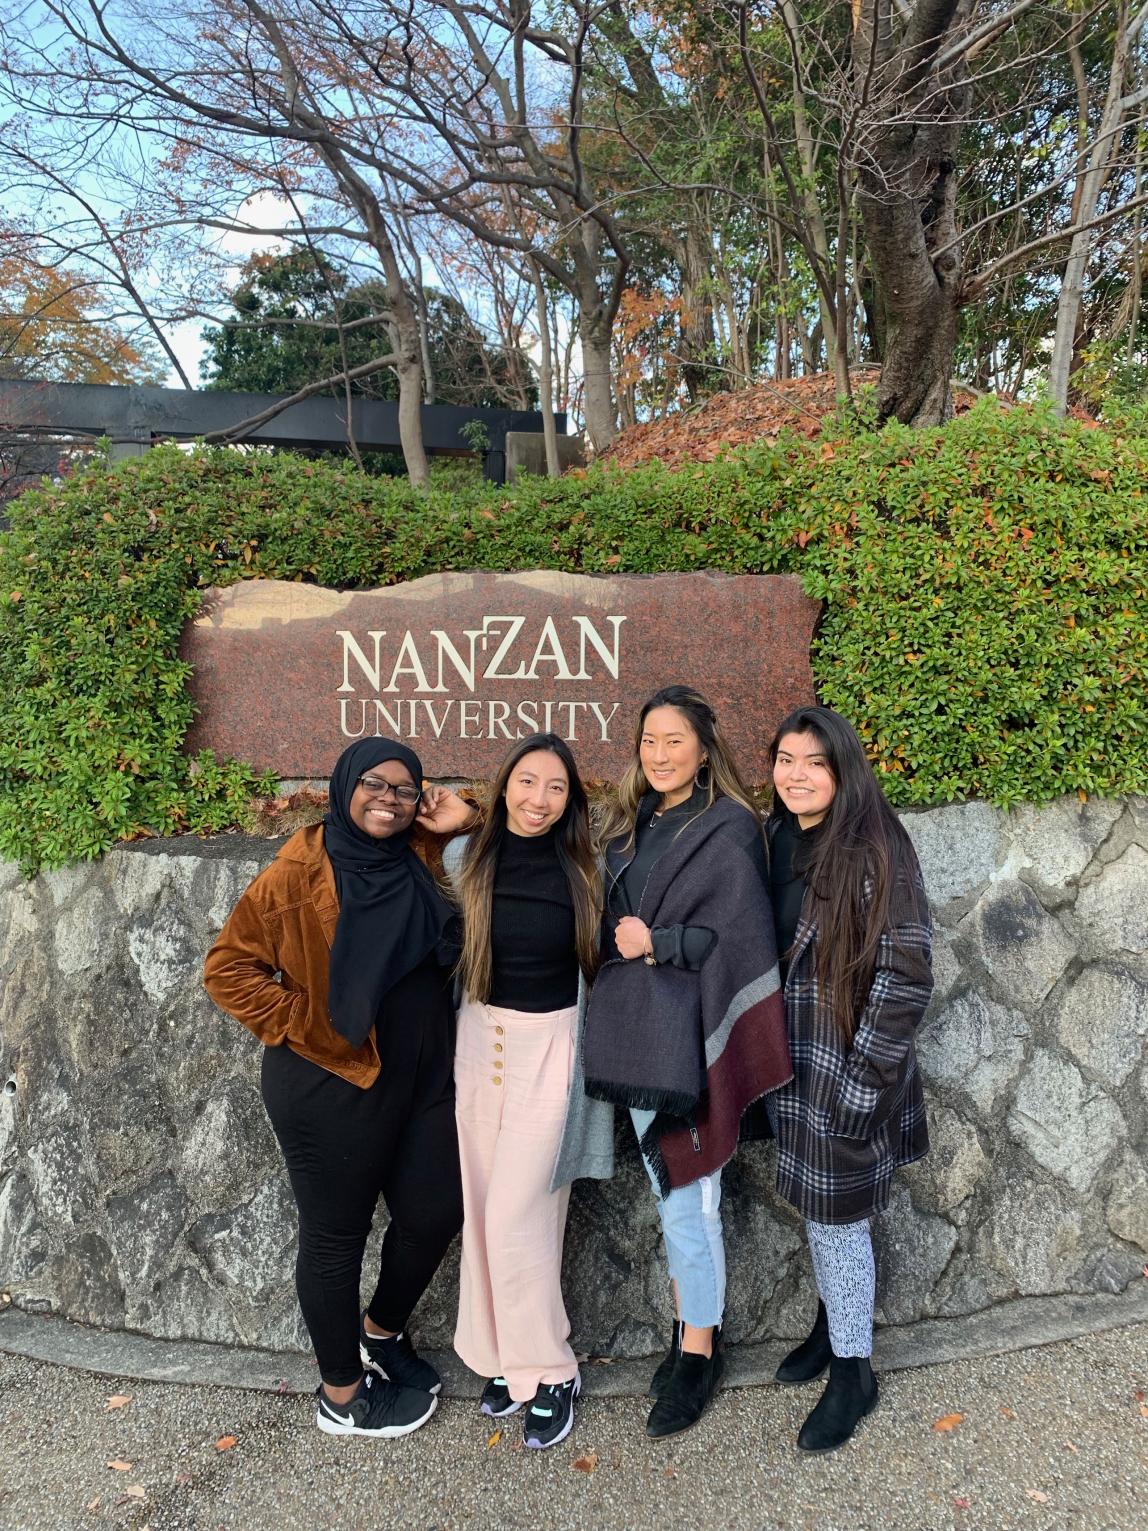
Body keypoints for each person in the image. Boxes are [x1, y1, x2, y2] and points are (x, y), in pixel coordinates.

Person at [203, 739, 477, 1440]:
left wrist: (457, 817)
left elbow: (475, 836)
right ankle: (342, 1393)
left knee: (436, 1209)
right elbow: (227, 969)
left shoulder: (414, 851)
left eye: (404, 788)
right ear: (345, 785)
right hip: (331, 1081)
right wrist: (304, 1020)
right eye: (374, 784)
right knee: (335, 1239)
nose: (388, 798)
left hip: (422, 1077)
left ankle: (380, 1331)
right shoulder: (298, 872)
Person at [564, 685, 792, 1439]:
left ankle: (700, 1349)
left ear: (703, 747)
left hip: (693, 1039)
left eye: (674, 741)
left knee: (689, 1200)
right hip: (636, 1037)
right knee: (673, 1191)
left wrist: (656, 943)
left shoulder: (730, 827)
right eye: (649, 741)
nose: (659, 754)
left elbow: (740, 942)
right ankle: (690, 1327)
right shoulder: (631, 826)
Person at [765, 705, 933, 1453]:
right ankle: (836, 1327)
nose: (796, 775)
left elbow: (905, 976)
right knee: (820, 1210)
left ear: (843, 769)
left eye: (814, 763)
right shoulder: (784, 837)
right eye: (785, 759)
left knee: (838, 1221)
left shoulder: (873, 848)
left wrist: (862, 1087)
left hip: (845, 1067)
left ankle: (854, 1370)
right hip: (796, 1064)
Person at [443, 733, 601, 1450]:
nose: (539, 799)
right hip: (479, 1042)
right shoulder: (465, 859)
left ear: (570, 800)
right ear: (504, 785)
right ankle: (505, 1360)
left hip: (553, 1047)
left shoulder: (589, 870)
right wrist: (457, 823)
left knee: (519, 1216)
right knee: (482, 1208)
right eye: (528, 782)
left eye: (556, 787)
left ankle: (552, 1367)